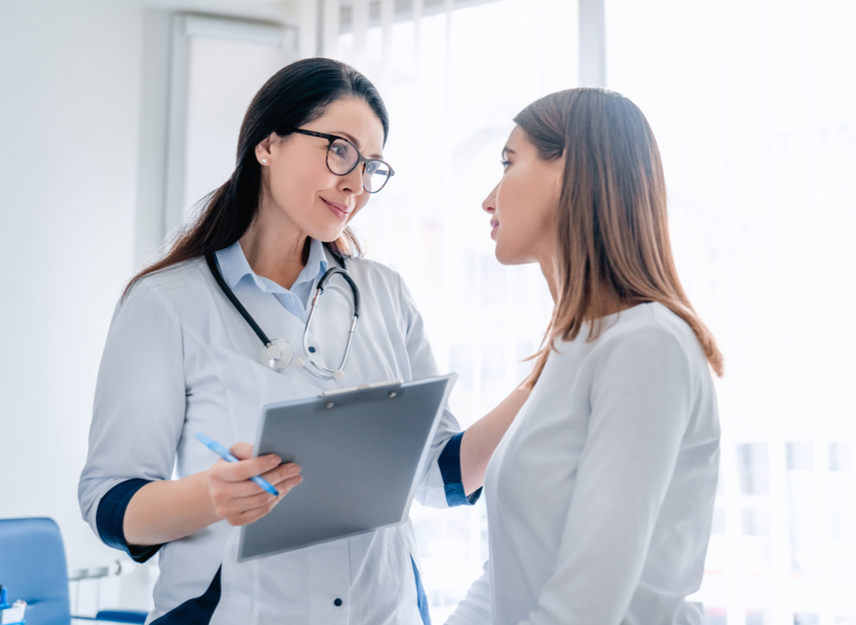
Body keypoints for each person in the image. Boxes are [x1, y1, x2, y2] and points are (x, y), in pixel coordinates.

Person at [78, 58, 527, 625]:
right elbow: (110, 504)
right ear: (268, 145)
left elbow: (440, 476)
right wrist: (210, 497)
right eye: (339, 150)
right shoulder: (167, 303)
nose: (356, 184)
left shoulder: (384, 294)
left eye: (371, 167)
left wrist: (547, 374)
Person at [446, 88, 724, 625]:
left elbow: (585, 604)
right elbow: (512, 572)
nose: (488, 198)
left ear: (568, 171)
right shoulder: (571, 351)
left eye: (508, 163)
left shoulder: (647, 344)